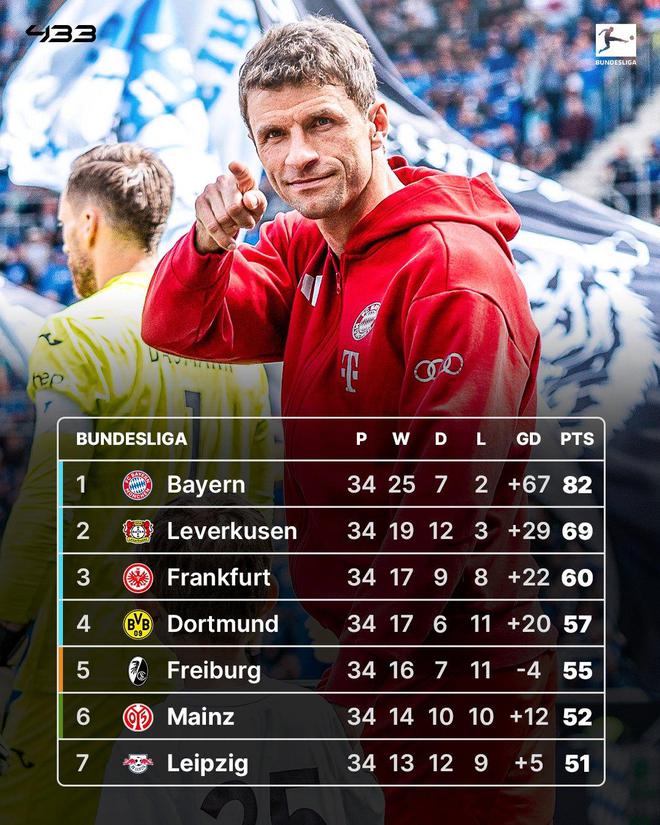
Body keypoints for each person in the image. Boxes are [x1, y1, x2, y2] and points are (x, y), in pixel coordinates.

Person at [142, 17, 556, 823]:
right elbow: (177, 325)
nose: (298, 154)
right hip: (370, 658)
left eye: (321, 122)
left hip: (459, 678)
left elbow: (443, 511)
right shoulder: (308, 244)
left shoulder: (453, 271)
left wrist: (349, 693)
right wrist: (205, 243)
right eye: (274, 134)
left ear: (376, 122)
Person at [0, 143, 275, 824]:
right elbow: (260, 507)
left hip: (95, 664)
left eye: (66, 227)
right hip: (209, 668)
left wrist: (5, 623)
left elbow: (50, 498)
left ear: (89, 222)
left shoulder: (78, 334)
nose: (66, 245)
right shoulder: (234, 346)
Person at [95, 495, 384, 824]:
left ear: (147, 606)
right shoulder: (318, 716)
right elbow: (368, 813)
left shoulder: (149, 742)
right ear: (267, 598)